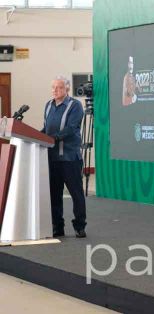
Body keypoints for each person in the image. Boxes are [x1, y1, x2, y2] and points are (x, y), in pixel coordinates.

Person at [41, 76, 87, 238]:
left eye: (59, 87)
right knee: (54, 194)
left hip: (70, 158)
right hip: (52, 158)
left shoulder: (75, 106)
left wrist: (51, 138)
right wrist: (36, 136)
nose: (55, 90)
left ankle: (80, 226)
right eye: (53, 87)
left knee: (76, 194)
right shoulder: (48, 105)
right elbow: (46, 128)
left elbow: (71, 128)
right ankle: (57, 227)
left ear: (66, 89)